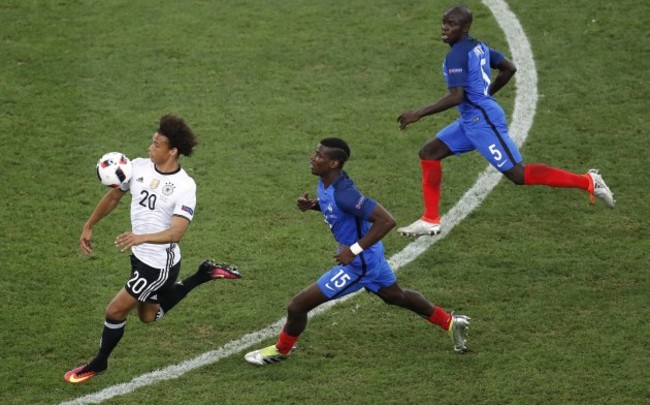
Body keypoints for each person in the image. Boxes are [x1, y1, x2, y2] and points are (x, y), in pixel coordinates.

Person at [244, 137, 469, 366]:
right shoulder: (327, 183)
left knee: (297, 306)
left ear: (334, 163)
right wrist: (314, 206)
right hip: (370, 258)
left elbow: (387, 221)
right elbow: (339, 209)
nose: (313, 158)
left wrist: (353, 250)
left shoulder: (346, 194)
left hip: (358, 265)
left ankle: (281, 350)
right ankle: (451, 322)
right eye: (315, 153)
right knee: (395, 296)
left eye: (320, 155)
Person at [396, 5, 615, 237]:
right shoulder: (477, 46)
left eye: (451, 24)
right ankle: (430, 219)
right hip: (472, 119)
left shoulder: (456, 55)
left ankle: (588, 181)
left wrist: (418, 113)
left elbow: (456, 96)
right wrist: (485, 95)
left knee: (518, 175)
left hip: (483, 122)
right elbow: (508, 68)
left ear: (465, 28)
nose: (445, 28)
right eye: (444, 23)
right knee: (429, 153)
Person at [64, 114, 241, 384]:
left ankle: (98, 364)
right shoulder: (137, 167)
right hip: (141, 258)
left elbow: (177, 233)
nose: (150, 148)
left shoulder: (185, 186)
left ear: (173, 151)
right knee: (148, 316)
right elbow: (114, 196)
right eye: (152, 142)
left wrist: (140, 238)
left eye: (157, 145)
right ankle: (203, 274)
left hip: (159, 266)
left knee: (115, 311)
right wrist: (89, 225)